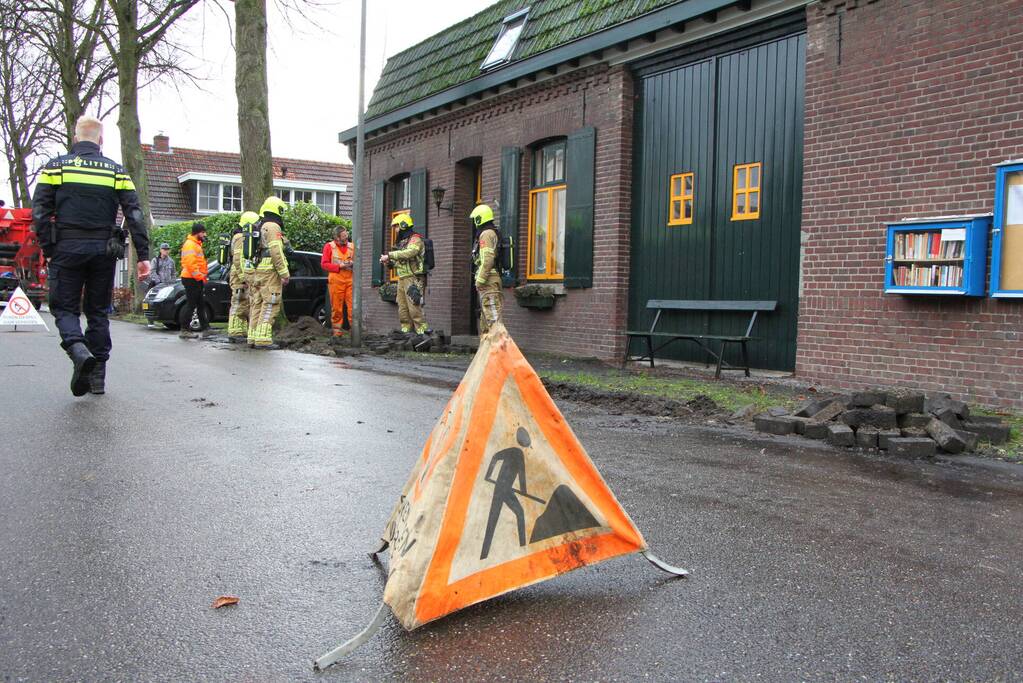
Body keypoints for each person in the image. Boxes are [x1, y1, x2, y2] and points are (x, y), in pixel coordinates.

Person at [31, 115, 150, 397]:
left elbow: (40, 213)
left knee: (64, 308)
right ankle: (97, 379)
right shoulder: (116, 171)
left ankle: (77, 349)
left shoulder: (55, 167)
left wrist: (49, 249)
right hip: (103, 251)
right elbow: (134, 214)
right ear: (101, 140)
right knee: (98, 313)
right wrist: (143, 255)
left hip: (67, 248)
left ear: (75, 138)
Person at [380, 213, 429, 349]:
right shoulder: (402, 242)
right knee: (402, 306)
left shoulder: (415, 239)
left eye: (396, 226)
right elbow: (401, 262)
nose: (395, 230)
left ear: (403, 225)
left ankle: (422, 332)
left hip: (414, 278)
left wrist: (390, 255)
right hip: (402, 278)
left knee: (414, 306)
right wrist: (390, 263)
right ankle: (406, 331)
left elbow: (410, 253)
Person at [248, 196, 290, 349]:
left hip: (258, 270)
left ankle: (253, 337)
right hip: (270, 272)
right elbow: (276, 251)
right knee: (271, 304)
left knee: (258, 305)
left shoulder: (260, 225)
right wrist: (284, 273)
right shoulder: (273, 226)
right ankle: (263, 339)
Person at [470, 204, 503, 336]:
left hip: (488, 281)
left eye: (475, 219)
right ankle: (488, 353)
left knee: (493, 318)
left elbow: (487, 260)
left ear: (479, 219)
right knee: (486, 321)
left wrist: (480, 280)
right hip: (489, 280)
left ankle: (500, 351)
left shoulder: (486, 234)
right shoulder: (490, 232)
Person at [226, 211, 259, 342]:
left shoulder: (237, 236)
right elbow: (239, 259)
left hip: (238, 274)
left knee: (243, 303)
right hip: (239, 276)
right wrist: (244, 277)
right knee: (238, 302)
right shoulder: (240, 237)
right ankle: (234, 332)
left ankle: (239, 330)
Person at [320, 225, 354, 338]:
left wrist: (352, 264)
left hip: (350, 280)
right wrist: (340, 266)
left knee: (352, 307)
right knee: (336, 308)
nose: (346, 238)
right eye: (344, 237)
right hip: (336, 281)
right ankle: (337, 333)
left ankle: (354, 332)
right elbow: (324, 264)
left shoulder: (352, 246)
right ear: (337, 238)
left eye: (346, 235)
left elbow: (358, 261)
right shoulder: (329, 247)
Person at [178, 222, 209, 339]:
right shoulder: (190, 245)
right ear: (197, 233)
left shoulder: (195, 244)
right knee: (191, 305)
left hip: (195, 278)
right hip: (191, 279)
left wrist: (201, 277)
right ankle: (184, 329)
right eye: (203, 232)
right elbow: (191, 264)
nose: (204, 235)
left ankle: (206, 328)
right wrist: (200, 276)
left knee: (200, 304)